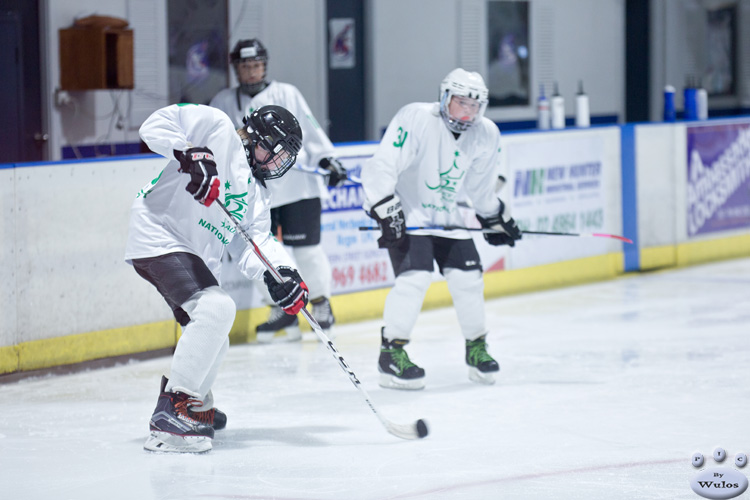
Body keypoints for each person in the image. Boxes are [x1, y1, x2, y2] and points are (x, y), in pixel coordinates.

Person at [125, 103, 308, 453]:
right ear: (257, 138)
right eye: (275, 152)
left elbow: (254, 241)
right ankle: (171, 414)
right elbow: (154, 122)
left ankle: (193, 407)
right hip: (159, 232)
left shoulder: (257, 192)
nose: (276, 164)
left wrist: (282, 274)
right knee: (217, 309)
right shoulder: (217, 128)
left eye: (284, 158)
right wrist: (189, 152)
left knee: (216, 334)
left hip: (190, 251)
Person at [360, 68, 522, 390]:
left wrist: (494, 217)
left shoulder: (486, 134)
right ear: (446, 97)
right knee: (415, 279)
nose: (467, 112)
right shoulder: (416, 117)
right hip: (409, 213)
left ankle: (477, 348)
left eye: (475, 106)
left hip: (449, 217)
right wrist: (386, 208)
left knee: (469, 279)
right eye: (461, 103)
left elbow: (480, 188)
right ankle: (391, 354)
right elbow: (383, 165)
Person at [209, 38, 346, 342]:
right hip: (256, 193)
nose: (252, 72)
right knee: (256, 249)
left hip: (297, 187)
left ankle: (322, 304)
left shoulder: (286, 93)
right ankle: (281, 310)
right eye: (246, 66)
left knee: (307, 250)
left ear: (264, 66)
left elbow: (309, 129)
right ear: (236, 69)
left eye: (257, 65)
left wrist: (327, 158)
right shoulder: (222, 102)